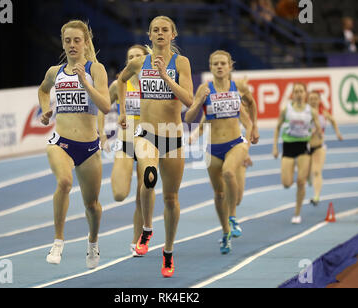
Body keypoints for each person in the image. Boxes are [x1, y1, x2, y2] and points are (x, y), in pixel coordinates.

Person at [117, 16, 194, 278]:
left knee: (171, 198)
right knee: (149, 178)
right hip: (146, 133)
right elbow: (120, 79)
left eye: (165, 30)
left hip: (172, 136)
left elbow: (189, 100)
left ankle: (168, 252)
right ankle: (147, 229)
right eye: (155, 30)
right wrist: (122, 110)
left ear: (174, 35)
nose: (160, 33)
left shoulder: (181, 63)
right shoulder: (139, 62)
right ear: (149, 36)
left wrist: (165, 77)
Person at [38, 20, 110, 269]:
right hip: (62, 142)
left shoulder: (96, 69)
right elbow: (43, 90)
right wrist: (46, 110)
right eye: (67, 40)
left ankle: (92, 242)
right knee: (65, 182)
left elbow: (106, 106)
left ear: (85, 42)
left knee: (92, 205)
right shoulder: (54, 72)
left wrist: (85, 82)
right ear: (63, 43)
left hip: (89, 148)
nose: (71, 45)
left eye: (77, 40)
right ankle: (58, 241)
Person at [185, 50, 259, 254]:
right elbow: (190, 118)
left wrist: (255, 127)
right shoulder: (204, 89)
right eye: (215, 63)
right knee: (218, 194)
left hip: (236, 142)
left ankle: (233, 218)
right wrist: (199, 101)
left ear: (230, 66)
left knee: (228, 173)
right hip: (213, 148)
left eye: (223, 63)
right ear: (210, 67)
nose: (219, 66)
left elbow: (251, 104)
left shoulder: (239, 87)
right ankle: (226, 232)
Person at [98, 44, 149, 257]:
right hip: (126, 141)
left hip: (149, 141)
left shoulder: (154, 82)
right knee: (119, 194)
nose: (134, 59)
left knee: (142, 192)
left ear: (145, 59)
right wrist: (101, 134)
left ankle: (138, 240)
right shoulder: (119, 85)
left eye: (138, 55)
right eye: (131, 56)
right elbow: (101, 108)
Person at [272, 83, 322, 224]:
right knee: (287, 183)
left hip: (303, 147)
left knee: (301, 182)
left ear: (305, 94)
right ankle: (294, 170)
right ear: (292, 94)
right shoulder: (286, 109)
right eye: (296, 91)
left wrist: (317, 140)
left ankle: (297, 213)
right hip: (288, 146)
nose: (299, 94)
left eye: (301, 91)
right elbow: (277, 128)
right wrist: (274, 147)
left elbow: (319, 128)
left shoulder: (311, 111)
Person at [307, 91, 343, 206]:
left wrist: (337, 133)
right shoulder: (304, 114)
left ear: (319, 100)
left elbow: (333, 120)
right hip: (305, 148)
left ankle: (316, 197)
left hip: (319, 147)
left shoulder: (323, 113)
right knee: (307, 174)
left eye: (315, 99)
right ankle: (309, 179)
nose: (313, 101)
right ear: (308, 100)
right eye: (311, 99)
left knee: (317, 172)